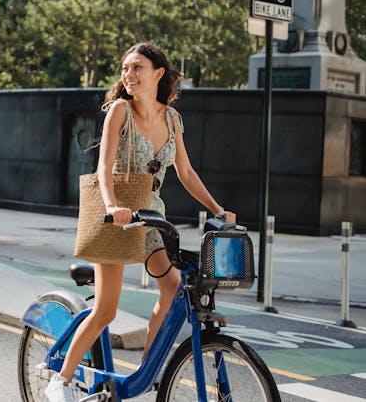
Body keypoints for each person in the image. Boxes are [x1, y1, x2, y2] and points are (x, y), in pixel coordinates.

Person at [45, 42, 236, 402]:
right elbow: (103, 166)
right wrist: (113, 204)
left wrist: (216, 209)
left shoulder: (172, 118)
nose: (128, 75)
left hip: (152, 217)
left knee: (173, 289)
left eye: (137, 68)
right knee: (106, 309)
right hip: (116, 216)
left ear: (158, 73)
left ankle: (150, 368)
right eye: (125, 69)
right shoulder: (120, 110)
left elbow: (187, 172)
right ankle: (61, 380)